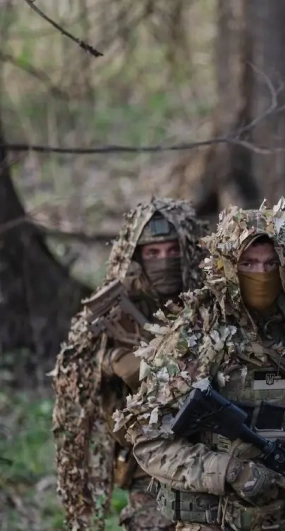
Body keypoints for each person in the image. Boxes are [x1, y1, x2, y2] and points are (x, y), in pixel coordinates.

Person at [113, 200, 285, 531]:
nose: (261, 274)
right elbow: (149, 441)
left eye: (270, 264)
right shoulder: (194, 336)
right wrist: (230, 471)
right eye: (248, 264)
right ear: (227, 267)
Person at [52, 198, 209, 531]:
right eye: (153, 253)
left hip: (211, 448)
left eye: (172, 251)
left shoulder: (211, 300)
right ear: (137, 257)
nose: (164, 261)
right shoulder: (117, 306)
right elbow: (74, 374)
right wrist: (110, 363)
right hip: (147, 461)